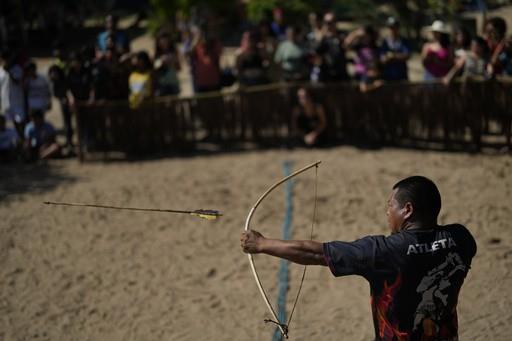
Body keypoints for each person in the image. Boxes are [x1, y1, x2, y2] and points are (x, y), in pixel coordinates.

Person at [241, 176, 476, 340]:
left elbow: (314, 252)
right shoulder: (462, 238)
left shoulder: (384, 251)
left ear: (407, 210)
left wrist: (261, 244)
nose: (387, 212)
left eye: (390, 205)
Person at [380, 17, 410, 81]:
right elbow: (382, 58)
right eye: (391, 28)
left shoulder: (403, 41)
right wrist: (387, 57)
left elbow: (407, 55)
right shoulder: (385, 42)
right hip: (388, 76)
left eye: (395, 27)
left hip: (401, 75)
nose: (393, 30)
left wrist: (393, 56)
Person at [154, 31, 181, 96]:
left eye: (165, 39)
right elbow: (155, 68)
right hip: (162, 84)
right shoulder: (157, 54)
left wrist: (173, 61)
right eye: (161, 40)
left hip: (173, 82)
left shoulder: (174, 52)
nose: (164, 42)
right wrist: (161, 61)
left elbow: (179, 68)